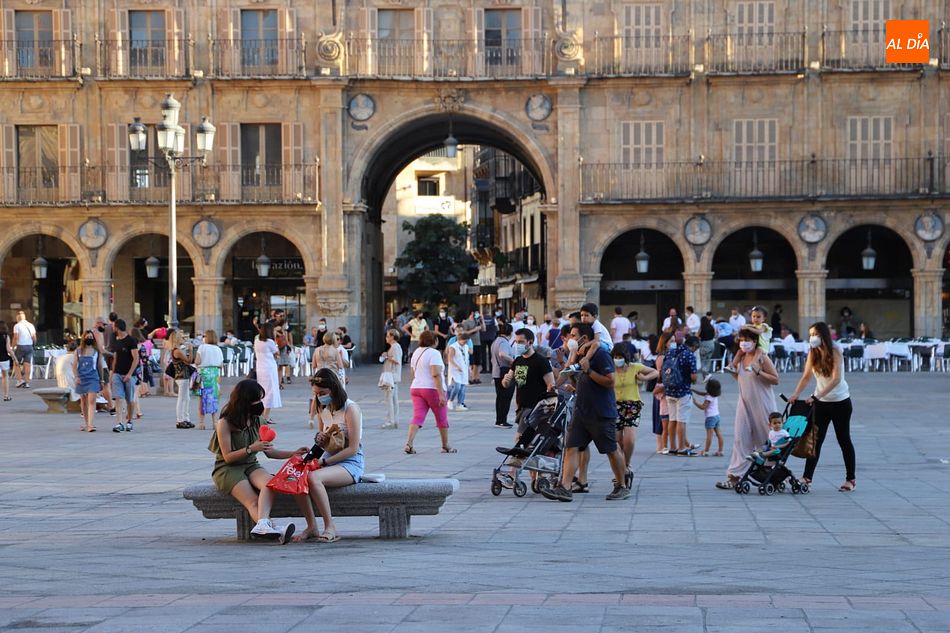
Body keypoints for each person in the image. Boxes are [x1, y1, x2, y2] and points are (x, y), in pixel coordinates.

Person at [541, 323, 631, 502]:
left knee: (611, 450)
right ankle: (565, 487)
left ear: (584, 338)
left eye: (574, 335)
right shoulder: (578, 355)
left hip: (601, 412)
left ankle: (621, 485)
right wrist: (558, 384)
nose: (570, 339)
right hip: (581, 411)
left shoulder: (601, 355)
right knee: (571, 447)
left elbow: (609, 381)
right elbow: (573, 376)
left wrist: (589, 369)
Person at [210, 379, 307, 544]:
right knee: (252, 501)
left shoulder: (257, 420)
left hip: (250, 464)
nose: (259, 404)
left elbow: (270, 452)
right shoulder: (224, 423)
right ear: (244, 401)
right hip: (228, 468)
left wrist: (293, 453)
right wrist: (251, 448)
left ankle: (264, 525)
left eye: (261, 399)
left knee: (270, 483)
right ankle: (277, 531)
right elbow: (227, 456)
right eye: (256, 399)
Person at [296, 369, 365, 542]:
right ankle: (311, 526)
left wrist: (324, 462)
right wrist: (319, 438)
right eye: (316, 394)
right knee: (298, 476)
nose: (319, 397)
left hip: (350, 462)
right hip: (326, 456)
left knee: (314, 478)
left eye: (322, 393)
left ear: (333, 389)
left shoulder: (350, 409)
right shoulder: (323, 408)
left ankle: (330, 526)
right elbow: (323, 438)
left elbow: (353, 448)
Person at [789, 322, 856, 492]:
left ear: (823, 335)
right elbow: (806, 376)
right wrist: (796, 394)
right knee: (816, 440)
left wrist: (816, 396)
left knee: (844, 439)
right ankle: (807, 477)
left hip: (840, 402)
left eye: (815, 334)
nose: (812, 338)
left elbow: (836, 379)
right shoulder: (813, 352)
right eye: (810, 334)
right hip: (821, 404)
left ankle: (850, 479)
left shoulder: (835, 351)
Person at [716, 329, 780, 490]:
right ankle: (734, 476)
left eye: (747, 340)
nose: (743, 343)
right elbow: (741, 378)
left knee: (765, 439)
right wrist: (733, 367)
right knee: (740, 438)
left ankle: (775, 474)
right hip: (744, 403)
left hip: (763, 404)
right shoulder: (741, 357)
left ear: (754, 341)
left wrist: (759, 371)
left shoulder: (762, 357)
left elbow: (775, 379)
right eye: (741, 340)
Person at [611, 343, 658, 486]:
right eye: (615, 357)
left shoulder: (634, 367)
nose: (617, 359)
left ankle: (627, 464)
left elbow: (655, 372)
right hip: (615, 406)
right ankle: (621, 470)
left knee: (629, 440)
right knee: (617, 440)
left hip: (632, 405)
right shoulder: (610, 369)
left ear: (626, 357)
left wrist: (643, 378)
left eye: (620, 357)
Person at [404, 330, 454, 454]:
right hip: (432, 389)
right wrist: (441, 394)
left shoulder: (416, 351)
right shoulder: (434, 353)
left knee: (418, 416)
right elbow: (436, 374)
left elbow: (412, 372)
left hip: (416, 388)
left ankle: (409, 443)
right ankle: (445, 445)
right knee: (441, 418)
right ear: (434, 341)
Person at [501, 328, 555, 444]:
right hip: (521, 407)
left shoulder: (541, 361)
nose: (517, 345)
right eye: (516, 342)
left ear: (530, 342)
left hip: (535, 407)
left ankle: (518, 459)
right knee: (528, 440)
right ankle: (525, 459)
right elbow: (507, 383)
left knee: (520, 438)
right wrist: (505, 380)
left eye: (521, 342)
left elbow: (551, 385)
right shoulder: (518, 361)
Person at [664, 335, 701, 456]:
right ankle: (681, 448)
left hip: (669, 390)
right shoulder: (689, 355)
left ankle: (673, 447)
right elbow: (693, 377)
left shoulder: (671, 352)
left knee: (672, 420)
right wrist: (696, 381)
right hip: (683, 391)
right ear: (694, 346)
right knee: (682, 421)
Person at [109, 319, 140, 433]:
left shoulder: (131, 340)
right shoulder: (116, 341)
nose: (112, 328)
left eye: (113, 326)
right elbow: (115, 359)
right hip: (117, 373)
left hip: (129, 374)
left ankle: (130, 421)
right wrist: (112, 374)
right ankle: (119, 422)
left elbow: (136, 358)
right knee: (118, 398)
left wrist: (130, 374)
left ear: (117, 327)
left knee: (129, 399)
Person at [74, 330, 105, 432]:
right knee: (83, 401)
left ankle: (91, 425)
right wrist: (76, 376)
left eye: (91, 337)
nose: (89, 339)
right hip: (82, 378)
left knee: (91, 401)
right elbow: (74, 365)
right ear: (83, 338)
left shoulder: (97, 351)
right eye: (87, 337)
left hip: (93, 377)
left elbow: (99, 365)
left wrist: (102, 379)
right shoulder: (78, 351)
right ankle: (86, 423)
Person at [195, 330, 224, 431]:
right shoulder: (218, 349)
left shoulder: (202, 347)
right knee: (214, 399)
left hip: (204, 374)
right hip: (215, 374)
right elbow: (221, 364)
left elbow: (197, 361)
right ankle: (215, 422)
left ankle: (202, 423)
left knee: (202, 399)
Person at [253, 322, 281, 421]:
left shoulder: (257, 341)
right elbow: (277, 354)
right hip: (269, 368)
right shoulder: (270, 342)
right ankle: (265, 416)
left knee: (262, 390)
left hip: (260, 368)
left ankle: (263, 414)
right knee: (270, 391)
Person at [167, 329, 194, 429]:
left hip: (184, 376)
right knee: (181, 398)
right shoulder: (177, 351)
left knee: (186, 398)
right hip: (181, 376)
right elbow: (188, 361)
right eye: (181, 337)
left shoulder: (178, 349)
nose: (183, 339)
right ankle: (180, 420)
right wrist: (190, 349)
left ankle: (186, 418)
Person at [491, 323, 516, 428]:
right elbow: (502, 354)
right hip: (504, 372)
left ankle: (499, 420)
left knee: (500, 397)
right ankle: (502, 420)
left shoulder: (496, 341)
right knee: (505, 397)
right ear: (510, 333)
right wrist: (513, 361)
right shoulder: (503, 342)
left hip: (497, 372)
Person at [692, 378, 723, 456]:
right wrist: (693, 390)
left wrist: (695, 402)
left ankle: (706, 451)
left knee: (709, 435)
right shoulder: (713, 395)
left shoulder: (708, 397)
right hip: (717, 416)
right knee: (719, 434)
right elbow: (702, 393)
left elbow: (703, 407)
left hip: (710, 418)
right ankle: (720, 450)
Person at [379, 328, 403, 429]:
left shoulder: (395, 347)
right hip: (393, 376)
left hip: (391, 376)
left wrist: (386, 356)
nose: (386, 338)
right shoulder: (394, 347)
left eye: (388, 336)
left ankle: (390, 421)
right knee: (393, 399)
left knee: (389, 399)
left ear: (392, 337)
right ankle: (395, 420)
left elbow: (396, 360)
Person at [446, 332, 471, 412]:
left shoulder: (466, 347)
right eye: (464, 341)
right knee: (457, 386)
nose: (465, 343)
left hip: (464, 369)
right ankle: (450, 400)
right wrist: (456, 366)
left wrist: (468, 367)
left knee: (462, 388)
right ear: (460, 340)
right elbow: (450, 358)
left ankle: (460, 404)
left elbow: (466, 358)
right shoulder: (453, 347)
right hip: (455, 369)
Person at [12, 310, 37, 389]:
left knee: (16, 363)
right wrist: (33, 345)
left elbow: (16, 337)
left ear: (17, 317)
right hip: (29, 346)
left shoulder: (17, 326)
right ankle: (27, 382)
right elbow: (34, 337)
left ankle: (19, 381)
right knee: (27, 365)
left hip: (20, 346)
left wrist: (12, 347)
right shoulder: (31, 325)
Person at [0, 321, 12, 402]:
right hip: (4, 359)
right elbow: (8, 349)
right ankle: (6, 396)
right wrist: (14, 357)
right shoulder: (6, 337)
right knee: (5, 377)